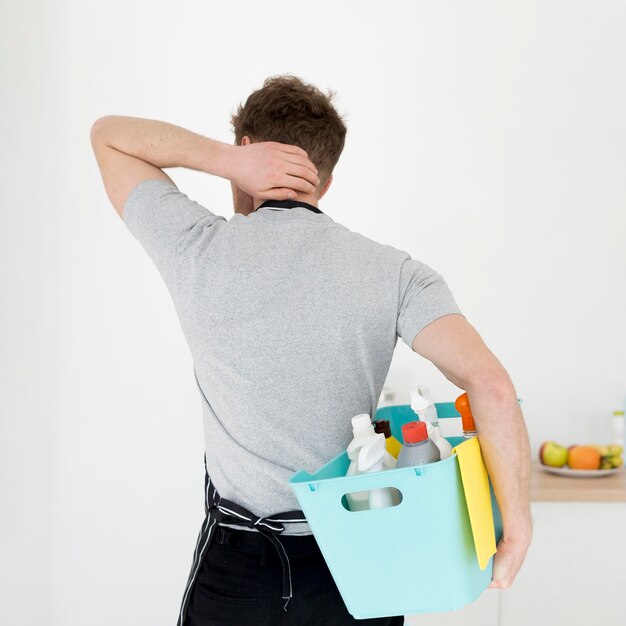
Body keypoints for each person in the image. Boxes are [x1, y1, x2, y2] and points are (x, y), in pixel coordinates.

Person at [90, 74, 532, 626]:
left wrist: (226, 162)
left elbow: (108, 135)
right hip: (363, 561)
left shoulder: (197, 246)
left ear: (247, 150)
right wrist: (516, 530)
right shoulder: (395, 273)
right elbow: (491, 386)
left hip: (238, 568)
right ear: (325, 179)